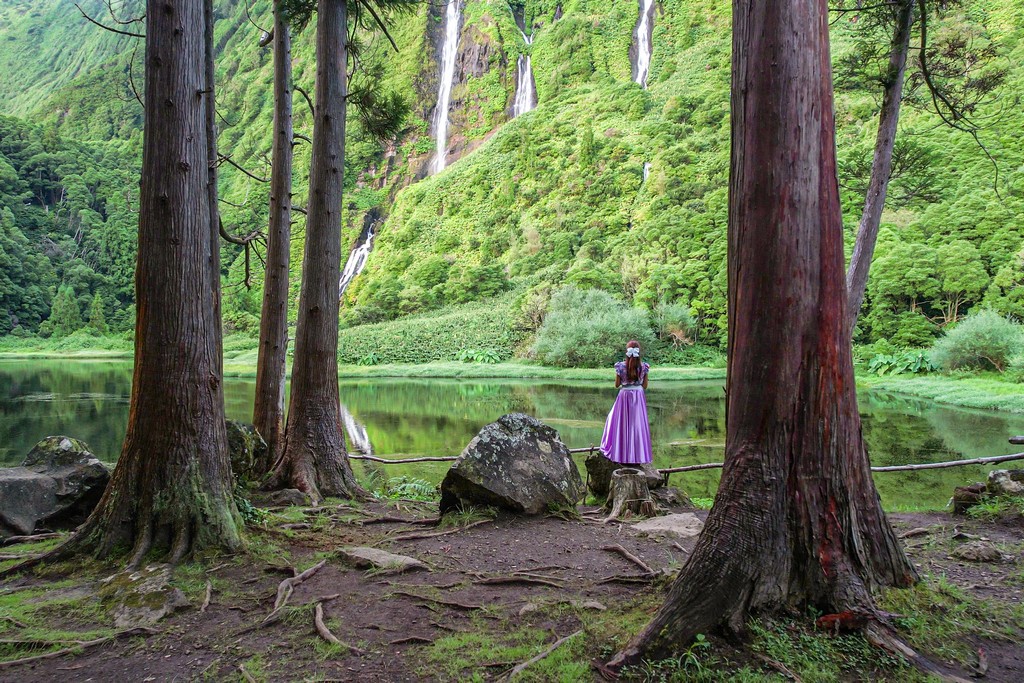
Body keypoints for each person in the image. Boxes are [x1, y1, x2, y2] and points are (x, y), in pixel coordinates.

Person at [599, 340, 652, 464]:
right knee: (637, 425)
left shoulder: (620, 366)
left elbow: (617, 385)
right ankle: (637, 456)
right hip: (638, 396)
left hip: (624, 396)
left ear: (627, 352)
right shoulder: (644, 366)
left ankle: (621, 454)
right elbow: (645, 386)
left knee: (620, 423)